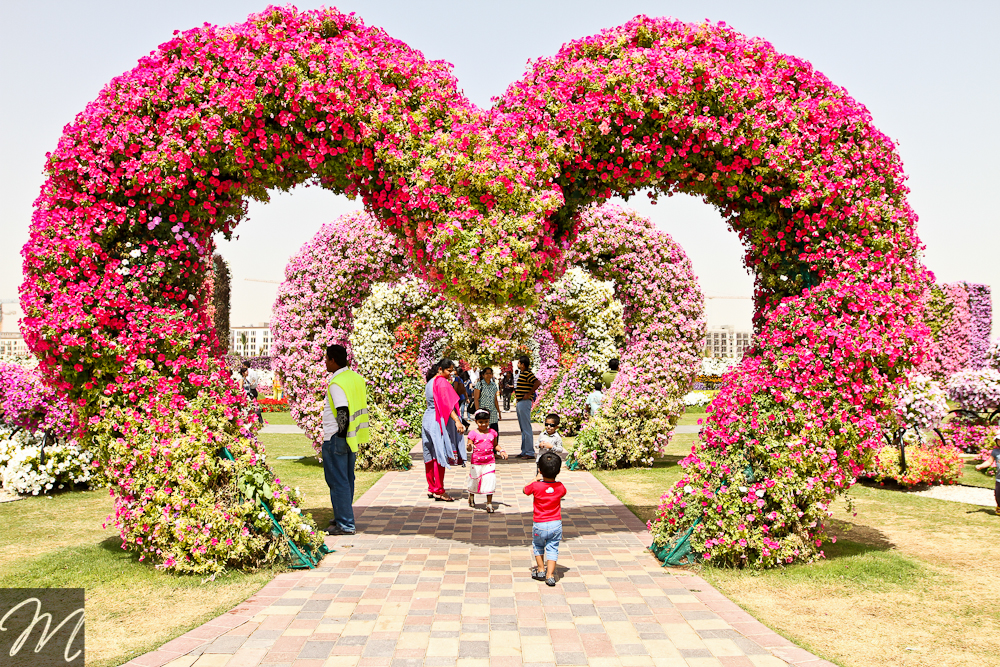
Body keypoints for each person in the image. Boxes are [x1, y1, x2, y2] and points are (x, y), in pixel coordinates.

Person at [321, 344, 370, 536]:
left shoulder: (337, 382)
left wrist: (339, 437)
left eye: (326, 358)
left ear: (333, 360)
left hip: (337, 437)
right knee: (347, 479)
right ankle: (342, 515)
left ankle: (345, 524)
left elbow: (342, 410)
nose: (325, 362)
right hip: (353, 437)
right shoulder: (356, 379)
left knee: (338, 480)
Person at [421, 359, 467, 502]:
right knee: (439, 455)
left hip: (427, 419)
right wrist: (457, 421)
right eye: (449, 370)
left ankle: (432, 487)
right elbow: (448, 405)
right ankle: (439, 490)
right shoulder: (441, 382)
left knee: (430, 455)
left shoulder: (430, 382)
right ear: (440, 369)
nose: (451, 373)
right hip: (436, 420)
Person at [524, 451, 567, 586]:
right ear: (558, 471)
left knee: (538, 545)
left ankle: (541, 569)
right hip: (555, 523)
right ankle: (550, 575)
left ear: (540, 470)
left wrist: (535, 478)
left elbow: (525, 490)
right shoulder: (560, 487)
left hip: (539, 523)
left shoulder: (536, 486)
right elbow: (562, 493)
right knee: (553, 547)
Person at [466, 409, 508, 512]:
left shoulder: (493, 433)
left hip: (489, 462)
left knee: (490, 480)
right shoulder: (473, 433)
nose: (484, 424)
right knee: (475, 480)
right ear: (476, 422)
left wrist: (502, 451)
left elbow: (495, 445)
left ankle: (489, 503)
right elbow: (469, 447)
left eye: (486, 422)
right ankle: (471, 496)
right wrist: (469, 446)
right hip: (476, 462)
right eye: (481, 422)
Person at [513, 356, 541, 459]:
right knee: (523, 428)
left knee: (526, 428)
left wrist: (529, 393)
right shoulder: (523, 374)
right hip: (520, 401)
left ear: (523, 364)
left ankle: (529, 452)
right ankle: (524, 450)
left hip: (524, 402)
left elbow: (537, 382)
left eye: (519, 362)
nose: (518, 364)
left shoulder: (528, 374)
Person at [473, 367, 502, 433]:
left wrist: (499, 411)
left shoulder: (494, 385)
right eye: (487, 373)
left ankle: (495, 443)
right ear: (483, 375)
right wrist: (477, 411)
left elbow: (495, 399)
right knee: (483, 430)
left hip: (493, 411)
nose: (488, 375)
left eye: (490, 373)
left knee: (494, 430)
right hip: (483, 411)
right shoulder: (479, 384)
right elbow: (476, 399)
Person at [975, 442, 1000, 515]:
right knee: (998, 494)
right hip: (999, 479)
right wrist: (981, 466)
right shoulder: (995, 452)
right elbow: (989, 461)